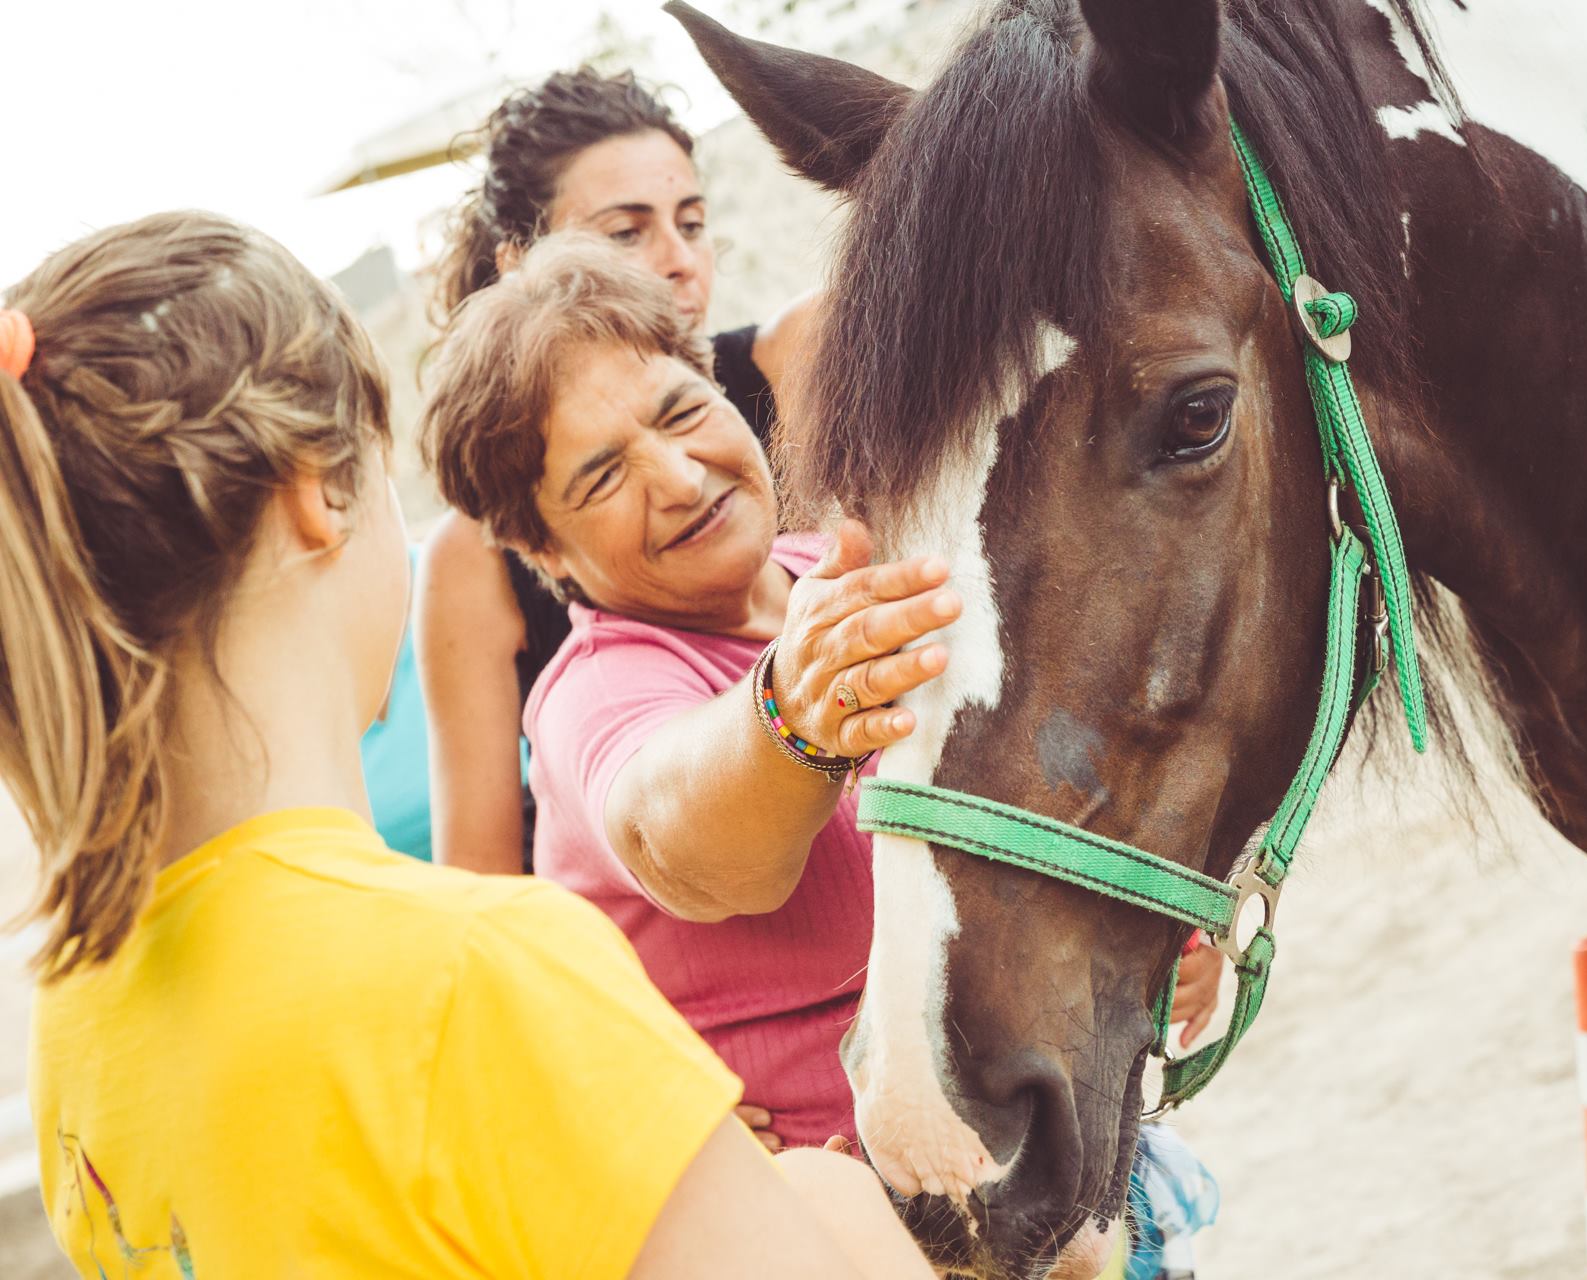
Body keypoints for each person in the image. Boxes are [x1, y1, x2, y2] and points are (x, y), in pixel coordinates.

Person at [0, 211, 930, 1278]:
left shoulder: (74, 1020)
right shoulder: (474, 980)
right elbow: (668, 809)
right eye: (598, 474)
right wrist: (824, 1200)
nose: (674, 476)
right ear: (320, 496)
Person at [420, 233, 1229, 1155]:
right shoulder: (594, 695)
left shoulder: (837, 573)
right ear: (545, 553)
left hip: (1056, 1157)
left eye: (682, 412)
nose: (680, 479)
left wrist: (1167, 925)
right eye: (603, 475)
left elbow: (1036, 762)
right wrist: (792, 715)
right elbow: (679, 833)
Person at [417, 66, 809, 877]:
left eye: (692, 222)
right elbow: (482, 873)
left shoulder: (793, 364)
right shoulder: (473, 555)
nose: (677, 261)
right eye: (626, 234)